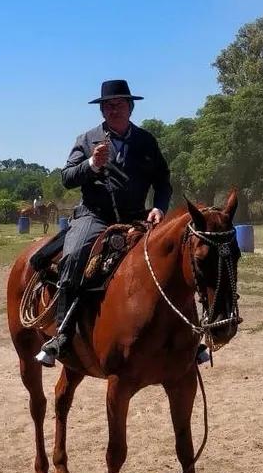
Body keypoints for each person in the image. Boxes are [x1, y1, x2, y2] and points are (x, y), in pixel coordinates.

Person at [35, 79, 172, 367]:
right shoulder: (87, 139)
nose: (114, 109)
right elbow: (67, 177)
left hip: (137, 215)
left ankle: (185, 335)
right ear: (102, 111)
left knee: (175, 255)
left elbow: (162, 182)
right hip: (94, 215)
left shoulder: (146, 141)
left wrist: (159, 207)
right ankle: (62, 334)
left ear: (130, 107)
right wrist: (92, 165)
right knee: (73, 255)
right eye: (108, 105)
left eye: (119, 104)